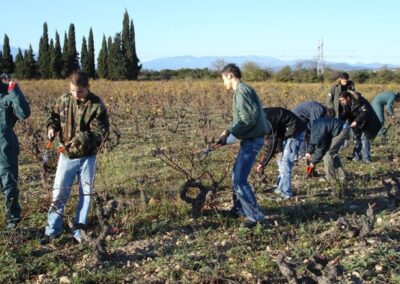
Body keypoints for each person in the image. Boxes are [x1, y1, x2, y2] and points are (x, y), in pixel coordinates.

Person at [40, 71, 109, 244]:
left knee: (86, 194)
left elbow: (101, 133)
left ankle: (79, 232)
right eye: (73, 91)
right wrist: (51, 128)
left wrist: (79, 139)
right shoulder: (63, 100)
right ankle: (52, 230)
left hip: (88, 157)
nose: (76, 95)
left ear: (88, 88)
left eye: (80, 92)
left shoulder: (96, 105)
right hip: (66, 156)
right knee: (59, 194)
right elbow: (53, 118)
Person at [218, 63, 270, 228]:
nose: (223, 83)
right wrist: (228, 132)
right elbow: (244, 118)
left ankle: (255, 217)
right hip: (251, 139)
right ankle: (239, 208)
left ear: (230, 76)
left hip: (253, 140)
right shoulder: (241, 91)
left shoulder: (242, 91)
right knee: (236, 176)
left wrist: (231, 132)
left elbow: (248, 119)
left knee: (240, 180)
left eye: (223, 79)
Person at [0, 75, 31, 229]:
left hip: (5, 151)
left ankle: (13, 225)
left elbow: (24, 113)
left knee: (9, 187)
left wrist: (15, 91)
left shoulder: (8, 92)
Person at [256, 107, 306, 199]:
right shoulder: (262, 116)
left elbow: (272, 143)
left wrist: (263, 163)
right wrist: (264, 160)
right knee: (280, 160)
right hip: (284, 133)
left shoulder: (267, 120)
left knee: (285, 163)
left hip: (295, 131)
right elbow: (271, 141)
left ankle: (286, 193)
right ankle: (281, 187)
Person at [339, 91, 381, 163]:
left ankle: (366, 158)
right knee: (356, 138)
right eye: (341, 101)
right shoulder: (345, 104)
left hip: (367, 123)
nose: (342, 102)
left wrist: (356, 121)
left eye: (343, 100)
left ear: (348, 98)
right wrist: (339, 121)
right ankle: (356, 157)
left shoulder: (361, 101)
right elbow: (346, 113)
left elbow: (364, 113)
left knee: (364, 139)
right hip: (356, 124)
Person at [305, 117, 348, 181]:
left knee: (328, 153)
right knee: (332, 153)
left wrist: (313, 162)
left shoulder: (317, 131)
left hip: (341, 130)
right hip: (339, 128)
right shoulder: (312, 126)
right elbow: (312, 141)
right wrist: (309, 151)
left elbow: (321, 149)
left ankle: (330, 178)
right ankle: (341, 175)